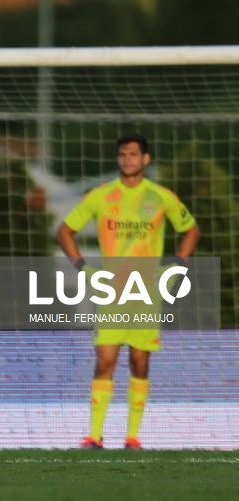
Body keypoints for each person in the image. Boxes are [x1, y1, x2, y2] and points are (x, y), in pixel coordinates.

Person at [56, 133, 200, 450]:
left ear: (145, 159)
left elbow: (191, 230)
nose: (127, 160)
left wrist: (177, 265)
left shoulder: (161, 197)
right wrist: (82, 268)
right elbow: (64, 231)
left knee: (140, 362)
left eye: (133, 154)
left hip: (147, 293)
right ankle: (94, 436)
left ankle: (132, 437)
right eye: (122, 154)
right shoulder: (101, 196)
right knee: (105, 359)